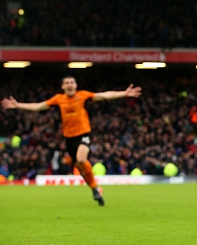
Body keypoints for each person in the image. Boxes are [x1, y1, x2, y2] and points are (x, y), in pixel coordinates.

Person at [2, 76, 142, 206]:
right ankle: (95, 189)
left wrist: (124, 93)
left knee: (81, 159)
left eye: (72, 83)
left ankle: (94, 187)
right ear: (63, 86)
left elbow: (104, 95)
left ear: (75, 85)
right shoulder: (58, 99)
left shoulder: (82, 95)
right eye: (67, 83)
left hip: (84, 134)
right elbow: (39, 106)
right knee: (81, 169)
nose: (70, 85)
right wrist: (18, 105)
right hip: (69, 138)